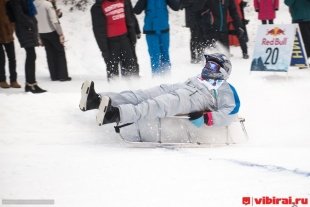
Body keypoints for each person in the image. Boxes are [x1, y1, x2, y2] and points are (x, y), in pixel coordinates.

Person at [79, 53, 240, 128]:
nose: (207, 67)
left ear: (222, 71)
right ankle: (97, 100)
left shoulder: (225, 88)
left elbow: (231, 111)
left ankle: (115, 114)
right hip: (183, 88)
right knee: (142, 94)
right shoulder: (199, 77)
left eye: (212, 65)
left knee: (158, 104)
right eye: (207, 63)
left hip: (197, 100)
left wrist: (207, 118)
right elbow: (184, 86)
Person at [90, 0, 139, 81]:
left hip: (125, 40)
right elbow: (98, 31)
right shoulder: (97, 7)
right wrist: (104, 50)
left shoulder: (124, 1)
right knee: (113, 72)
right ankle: (115, 90)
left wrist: (136, 31)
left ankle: (133, 89)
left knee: (131, 67)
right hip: (110, 44)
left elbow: (131, 17)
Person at [6, 0, 46, 93]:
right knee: (31, 55)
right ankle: (30, 84)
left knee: (31, 55)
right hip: (24, 29)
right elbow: (19, 16)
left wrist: (32, 23)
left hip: (28, 29)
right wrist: (30, 23)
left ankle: (31, 84)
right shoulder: (15, 1)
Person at [133, 0, 180, 75]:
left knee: (165, 55)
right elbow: (137, 10)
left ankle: (167, 79)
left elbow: (176, 7)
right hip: (151, 31)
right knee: (155, 57)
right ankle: (157, 80)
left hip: (164, 30)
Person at [35, 0, 71, 81]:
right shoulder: (47, 4)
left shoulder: (33, 4)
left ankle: (54, 76)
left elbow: (35, 20)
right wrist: (61, 33)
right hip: (52, 31)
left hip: (41, 32)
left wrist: (38, 35)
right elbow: (54, 21)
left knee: (49, 53)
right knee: (60, 52)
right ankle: (63, 76)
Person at [0, 0, 21, 89]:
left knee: (12, 58)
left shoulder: (9, 2)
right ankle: (2, 80)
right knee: (1, 59)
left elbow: (13, 17)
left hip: (8, 34)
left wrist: (12, 28)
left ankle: (13, 80)